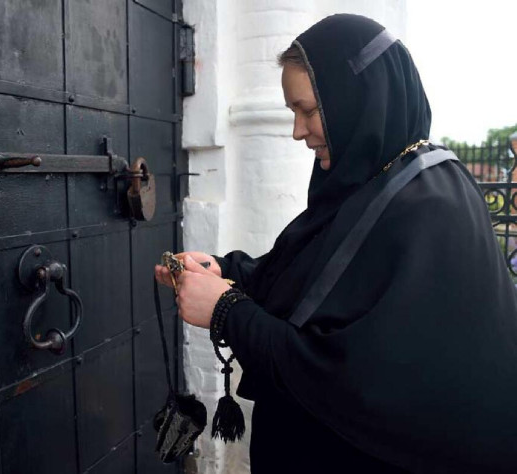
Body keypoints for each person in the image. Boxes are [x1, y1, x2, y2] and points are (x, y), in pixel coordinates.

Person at [155, 14, 517, 473]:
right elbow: (309, 277)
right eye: (293, 112)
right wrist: (224, 270)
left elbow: (353, 378)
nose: (297, 130)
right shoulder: (368, 181)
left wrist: (227, 310)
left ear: (358, 99)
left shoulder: (432, 208)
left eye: (308, 110)